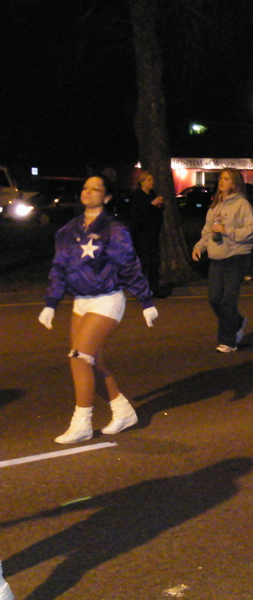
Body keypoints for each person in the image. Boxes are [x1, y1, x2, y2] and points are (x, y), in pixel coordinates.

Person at [37, 175, 158, 444]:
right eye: (85, 188)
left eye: (96, 189)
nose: (88, 192)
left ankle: (81, 423)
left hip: (107, 299)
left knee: (79, 358)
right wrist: (51, 303)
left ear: (107, 198)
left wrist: (146, 301)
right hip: (81, 301)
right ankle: (123, 411)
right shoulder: (68, 230)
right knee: (93, 362)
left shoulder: (114, 230)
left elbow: (129, 266)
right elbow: (59, 268)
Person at [192, 168, 253, 352]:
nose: (221, 181)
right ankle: (237, 321)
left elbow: (250, 229)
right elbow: (207, 231)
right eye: (221, 178)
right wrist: (199, 247)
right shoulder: (215, 206)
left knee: (228, 300)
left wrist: (228, 231)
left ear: (234, 184)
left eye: (226, 179)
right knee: (214, 298)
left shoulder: (242, 204)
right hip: (217, 257)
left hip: (236, 257)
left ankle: (228, 340)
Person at [128, 170, 164, 296]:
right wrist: (151, 205)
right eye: (149, 180)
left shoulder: (152, 194)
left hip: (152, 234)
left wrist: (159, 207)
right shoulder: (138, 196)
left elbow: (156, 215)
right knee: (143, 263)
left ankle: (154, 288)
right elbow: (138, 215)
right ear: (142, 182)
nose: (152, 182)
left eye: (152, 180)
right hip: (141, 235)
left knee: (155, 261)